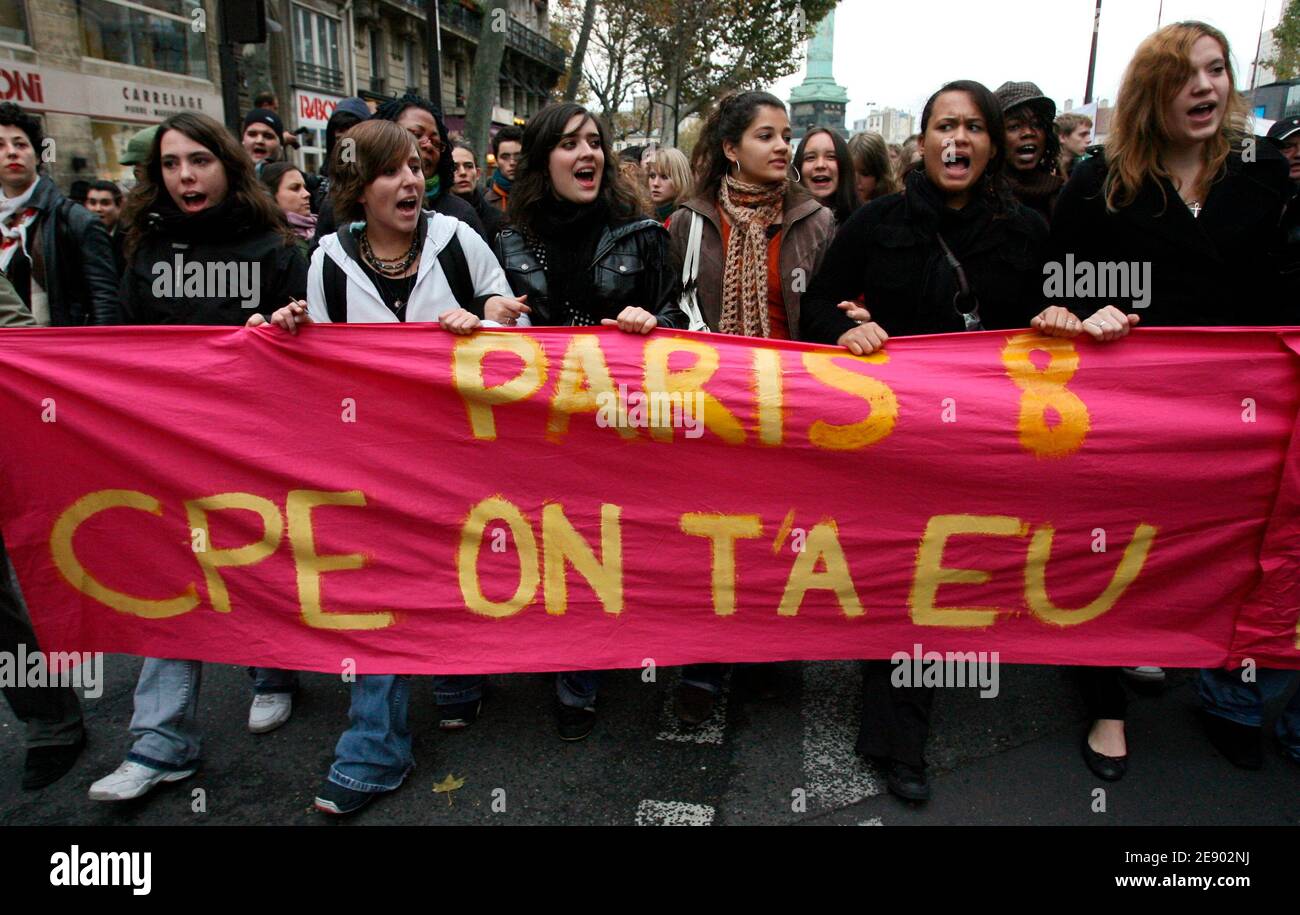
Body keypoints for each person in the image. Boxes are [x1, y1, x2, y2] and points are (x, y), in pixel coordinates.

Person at [1032, 21, 1299, 779]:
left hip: (1239, 416)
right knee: (1108, 550)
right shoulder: (1099, 179)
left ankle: (1227, 689)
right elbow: (1054, 287)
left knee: (1223, 548)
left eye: (1216, 70)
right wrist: (1087, 311)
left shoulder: (1263, 170)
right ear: (1152, 92)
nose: (1206, 87)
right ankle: (1106, 703)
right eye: (1186, 75)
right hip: (1126, 411)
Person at [249, 119, 524, 814]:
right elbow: (321, 355)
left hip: (464, 447)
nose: (409, 181)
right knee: (376, 589)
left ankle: (458, 678)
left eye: (413, 167)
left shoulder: (459, 239)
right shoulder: (328, 260)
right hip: (371, 453)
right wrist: (286, 331)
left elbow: (510, 317)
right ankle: (373, 750)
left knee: (462, 566)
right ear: (356, 187)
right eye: (388, 171)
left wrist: (487, 316)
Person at [800, 80, 1049, 801]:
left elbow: (1049, 317)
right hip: (894, 446)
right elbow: (818, 302)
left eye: (973, 127)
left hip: (985, 444)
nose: (957, 140)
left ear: (992, 145)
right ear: (923, 140)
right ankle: (897, 735)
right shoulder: (876, 223)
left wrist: (1069, 317)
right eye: (945, 125)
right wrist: (843, 329)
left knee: (949, 581)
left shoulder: (1028, 231)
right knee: (907, 581)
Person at [86, 111, 309, 803]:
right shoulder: (144, 250)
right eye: (171, 163)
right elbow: (122, 342)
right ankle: (160, 741)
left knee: (256, 561)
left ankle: (270, 670)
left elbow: (308, 340)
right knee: (173, 575)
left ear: (227, 165)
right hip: (168, 443)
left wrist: (279, 328)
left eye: (199, 160)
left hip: (255, 442)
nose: (185, 175)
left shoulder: (274, 245)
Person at [493, 103, 687, 739]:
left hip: (620, 426)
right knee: (562, 545)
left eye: (596, 143)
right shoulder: (509, 239)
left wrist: (652, 323)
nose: (588, 154)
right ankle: (573, 667)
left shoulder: (644, 235)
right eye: (571, 143)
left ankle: (597, 665)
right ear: (543, 158)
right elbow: (483, 336)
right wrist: (486, 314)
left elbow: (682, 328)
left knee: (611, 545)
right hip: (542, 430)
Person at [666, 91, 836, 726]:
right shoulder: (687, 221)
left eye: (785, 135)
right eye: (766, 136)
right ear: (732, 149)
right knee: (711, 538)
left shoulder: (816, 221)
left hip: (790, 410)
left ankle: (766, 654)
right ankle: (703, 665)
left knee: (778, 534)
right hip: (708, 414)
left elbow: (825, 314)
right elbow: (667, 309)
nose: (782, 147)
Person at [0, 102, 119, 326]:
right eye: (0, 145)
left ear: (37, 156)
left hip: (57, 352)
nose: (12, 152)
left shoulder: (76, 220)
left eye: (20, 144)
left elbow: (105, 306)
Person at [994, 81, 1063, 222]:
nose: (1028, 132)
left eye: (1037, 124)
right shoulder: (982, 197)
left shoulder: (1063, 195)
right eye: (1014, 126)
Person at [794, 126, 860, 224]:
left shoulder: (864, 222)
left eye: (831, 157)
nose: (820, 165)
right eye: (810, 158)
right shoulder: (784, 223)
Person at [450, 141, 504, 240]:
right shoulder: (433, 215)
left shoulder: (496, 219)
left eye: (469, 166)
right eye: (454, 167)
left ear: (478, 173)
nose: (463, 172)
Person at [260, 161, 317, 254]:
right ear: (271, 195)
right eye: (295, 188)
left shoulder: (321, 228)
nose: (307, 194)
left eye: (305, 187)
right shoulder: (268, 242)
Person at [84, 179, 126, 275]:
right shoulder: (81, 237)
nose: (98, 209)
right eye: (92, 203)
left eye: (105, 203)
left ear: (119, 205)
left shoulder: (130, 238)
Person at [848, 131, 901, 204]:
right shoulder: (837, 209)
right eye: (850, 172)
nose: (856, 180)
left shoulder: (894, 208)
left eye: (865, 173)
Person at [645, 146, 693, 224]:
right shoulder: (640, 216)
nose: (655, 183)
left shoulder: (688, 220)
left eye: (664, 177)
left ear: (680, 179)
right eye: (652, 176)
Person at [484, 125, 523, 211]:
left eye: (518, 156)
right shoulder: (486, 202)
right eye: (505, 157)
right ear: (496, 160)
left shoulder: (539, 195)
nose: (512, 162)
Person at [241, 108, 284, 172]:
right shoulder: (227, 178)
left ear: (280, 146)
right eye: (252, 134)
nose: (259, 141)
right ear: (243, 140)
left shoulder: (294, 178)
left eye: (268, 136)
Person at [1055, 111, 1094, 176]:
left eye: (1088, 134)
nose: (1089, 140)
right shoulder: (1045, 169)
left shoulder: (1082, 169)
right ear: (1062, 137)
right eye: (1083, 135)